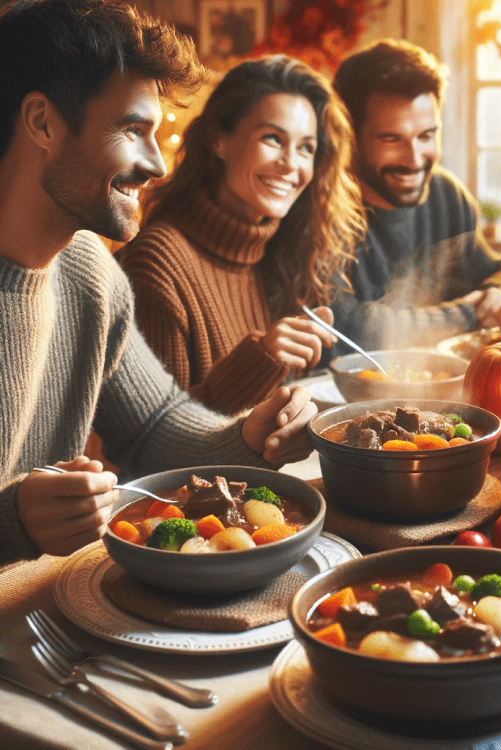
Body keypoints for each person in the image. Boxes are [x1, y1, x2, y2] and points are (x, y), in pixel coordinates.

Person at [0, 0, 317, 565]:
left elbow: (154, 425)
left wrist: (248, 435)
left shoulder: (90, 272)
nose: (157, 164)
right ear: (42, 122)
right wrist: (9, 520)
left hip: (45, 607)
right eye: (132, 130)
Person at [118, 56, 365, 415]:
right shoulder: (158, 260)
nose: (291, 165)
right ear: (219, 139)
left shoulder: (284, 249)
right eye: (272, 139)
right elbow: (150, 435)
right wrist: (259, 360)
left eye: (306, 148)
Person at [327, 39, 501, 356]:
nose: (414, 159)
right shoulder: (322, 213)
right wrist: (470, 313)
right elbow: (354, 332)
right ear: (350, 137)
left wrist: (499, 293)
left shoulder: (447, 195)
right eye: (391, 139)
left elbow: (500, 271)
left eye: (426, 136)